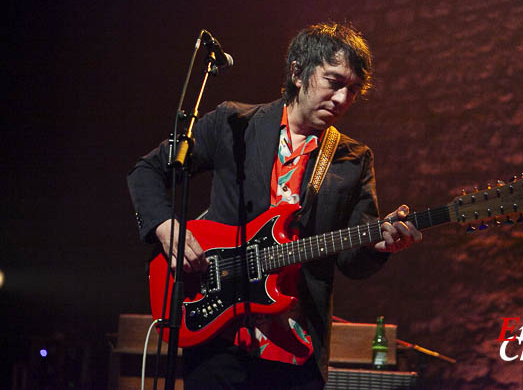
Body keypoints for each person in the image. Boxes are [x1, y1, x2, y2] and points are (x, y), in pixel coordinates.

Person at [127, 22, 422, 389]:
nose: (343, 99)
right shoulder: (234, 124)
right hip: (219, 337)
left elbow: (351, 262)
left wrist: (380, 246)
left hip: (296, 351)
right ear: (298, 72)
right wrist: (166, 226)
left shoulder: (353, 159)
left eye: (353, 91)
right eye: (334, 82)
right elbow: (147, 171)